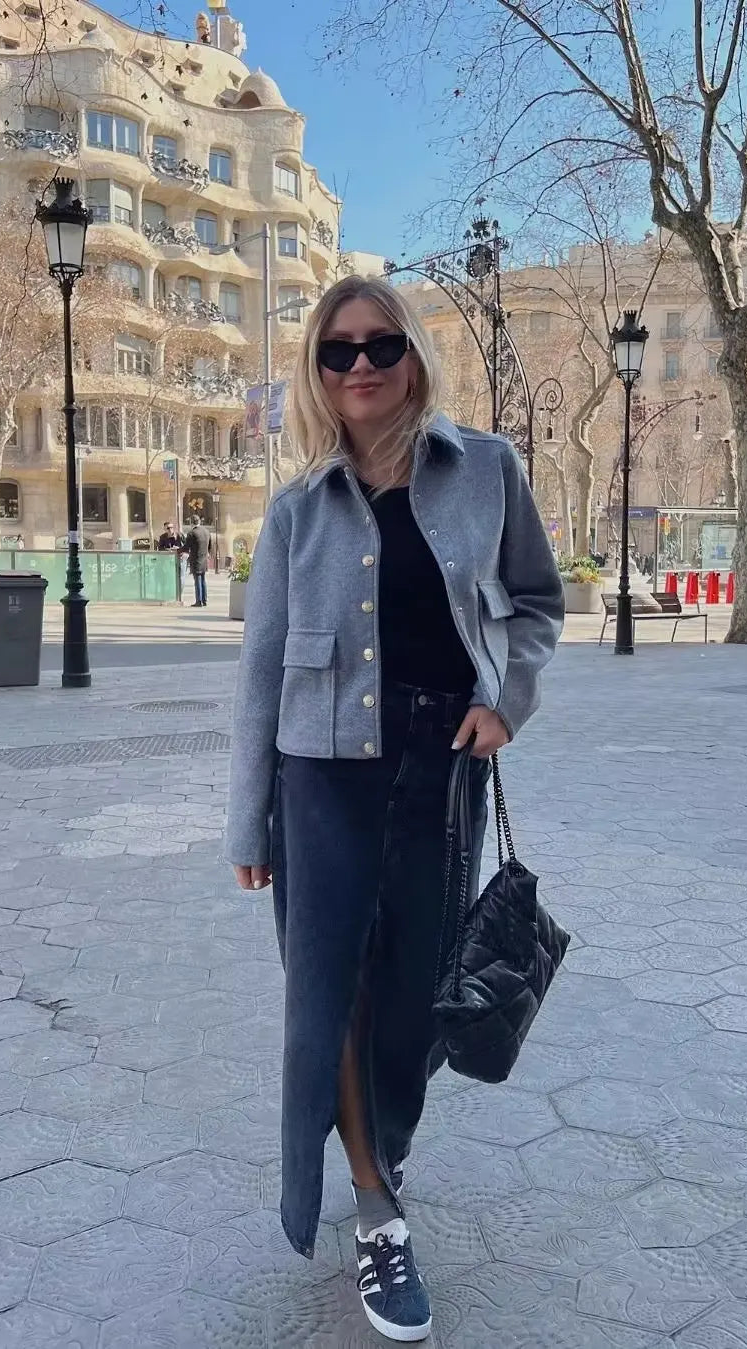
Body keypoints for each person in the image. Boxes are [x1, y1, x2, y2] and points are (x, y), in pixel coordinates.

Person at [224, 275, 563, 1341]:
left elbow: (538, 602)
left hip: (440, 767)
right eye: (339, 351)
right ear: (317, 372)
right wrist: (248, 818)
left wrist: (506, 700)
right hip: (320, 778)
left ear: (413, 353)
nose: (361, 365)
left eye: (381, 345)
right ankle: (375, 1207)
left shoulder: (487, 470)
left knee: (415, 987)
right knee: (331, 990)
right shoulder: (296, 509)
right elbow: (261, 669)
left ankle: (386, 1140)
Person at [184, 514, 212, 607]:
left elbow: (186, 547)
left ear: (191, 523)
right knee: (203, 579)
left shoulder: (191, 533)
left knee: (197, 580)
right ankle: (204, 600)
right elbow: (210, 546)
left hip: (196, 559)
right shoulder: (207, 531)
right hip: (204, 559)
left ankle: (199, 601)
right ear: (199, 521)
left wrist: (177, 550)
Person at [156, 520, 185, 604]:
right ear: (165, 529)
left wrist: (179, 549)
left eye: (172, 527)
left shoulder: (179, 536)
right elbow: (160, 548)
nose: (170, 529)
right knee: (167, 579)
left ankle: (178, 597)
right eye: (168, 528)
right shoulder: (163, 537)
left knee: (180, 579)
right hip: (167, 561)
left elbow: (185, 546)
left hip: (178, 560)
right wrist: (168, 550)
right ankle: (167, 596)